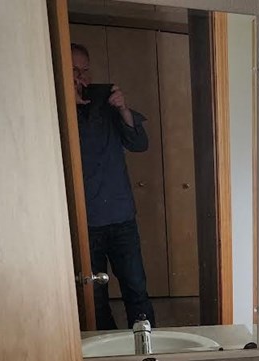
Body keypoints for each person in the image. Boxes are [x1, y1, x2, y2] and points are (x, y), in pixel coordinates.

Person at [71, 42, 156, 329]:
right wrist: (69, 103)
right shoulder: (53, 107)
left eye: (84, 70)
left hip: (121, 218)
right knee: (94, 299)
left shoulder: (105, 102)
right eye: (73, 70)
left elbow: (139, 143)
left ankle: (146, 347)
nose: (80, 77)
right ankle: (106, 349)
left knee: (136, 290)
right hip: (84, 223)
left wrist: (123, 109)